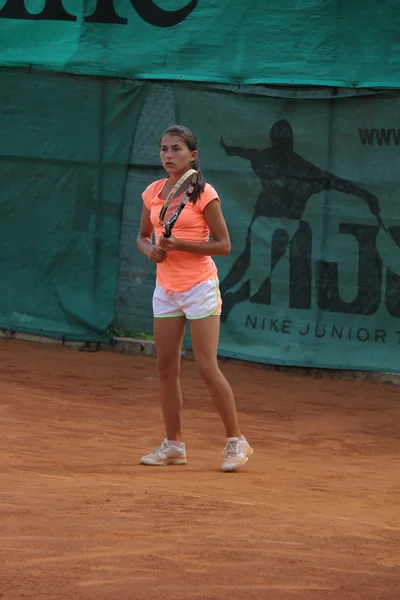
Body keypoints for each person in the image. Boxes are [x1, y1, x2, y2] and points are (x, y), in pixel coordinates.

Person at [136, 125, 253, 472]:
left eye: (175, 149)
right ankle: (174, 445)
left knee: (206, 366)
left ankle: (237, 442)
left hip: (200, 288)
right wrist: (151, 251)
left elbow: (224, 245)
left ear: (193, 156)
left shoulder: (205, 194)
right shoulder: (153, 192)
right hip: (166, 291)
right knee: (165, 367)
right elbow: (143, 236)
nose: (168, 155)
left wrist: (181, 245)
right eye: (163, 149)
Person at [219, 119, 387, 321]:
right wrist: (230, 149)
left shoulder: (302, 168)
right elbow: (244, 152)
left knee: (256, 272)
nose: (280, 146)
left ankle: (229, 300)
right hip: (263, 221)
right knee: (246, 263)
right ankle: (217, 298)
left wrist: (367, 196)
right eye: (277, 140)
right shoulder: (266, 157)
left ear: (289, 142)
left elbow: (339, 183)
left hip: (283, 226)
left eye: (283, 140)